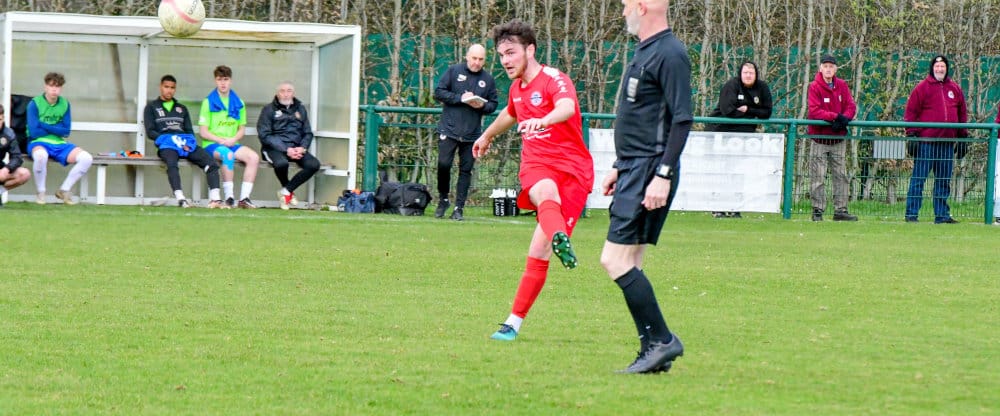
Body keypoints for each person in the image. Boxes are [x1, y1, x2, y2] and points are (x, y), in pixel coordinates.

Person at [472, 19, 594, 342]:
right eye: (501, 55)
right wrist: (486, 135)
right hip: (537, 165)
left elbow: (567, 107)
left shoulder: (554, 79)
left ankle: (556, 238)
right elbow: (510, 114)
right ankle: (511, 324)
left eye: (511, 53)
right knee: (544, 190)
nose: (505, 61)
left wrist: (543, 120)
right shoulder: (517, 89)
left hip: (573, 171)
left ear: (530, 50)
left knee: (539, 250)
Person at [598, 0, 688, 374]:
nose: (622, 13)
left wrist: (662, 176)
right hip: (633, 169)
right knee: (631, 261)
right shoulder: (645, 50)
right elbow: (641, 118)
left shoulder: (671, 53)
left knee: (613, 260)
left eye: (625, 6)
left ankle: (663, 340)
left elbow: (682, 120)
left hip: (649, 171)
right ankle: (652, 349)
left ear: (641, 7)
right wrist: (619, 166)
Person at [433, 44, 499, 221]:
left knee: (466, 170)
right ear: (467, 57)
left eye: (480, 59)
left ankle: (459, 208)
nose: (477, 62)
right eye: (474, 58)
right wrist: (459, 98)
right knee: (443, 164)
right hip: (449, 129)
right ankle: (443, 199)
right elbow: (439, 92)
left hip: (472, 134)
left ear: (485, 60)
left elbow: (493, 104)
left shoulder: (488, 79)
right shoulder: (454, 71)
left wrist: (482, 105)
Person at [144, 74, 226, 209]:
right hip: (167, 145)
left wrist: (189, 143)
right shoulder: (151, 107)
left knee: (210, 162)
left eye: (172, 88)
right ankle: (181, 199)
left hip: (184, 144)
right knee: (172, 163)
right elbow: (150, 131)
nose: (169, 90)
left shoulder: (182, 108)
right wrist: (168, 139)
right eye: (166, 87)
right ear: (161, 87)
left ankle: (215, 199)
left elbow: (189, 130)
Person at [903, 55, 966, 224]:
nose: (940, 69)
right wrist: (911, 134)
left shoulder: (955, 88)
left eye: (942, 66)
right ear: (932, 68)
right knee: (919, 179)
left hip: (947, 143)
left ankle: (942, 215)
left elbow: (962, 113)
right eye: (937, 66)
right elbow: (911, 112)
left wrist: (963, 136)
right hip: (926, 143)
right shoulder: (922, 88)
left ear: (947, 68)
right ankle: (911, 214)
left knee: (944, 181)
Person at [705, 61, 773, 218]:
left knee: (738, 171)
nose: (748, 76)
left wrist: (748, 109)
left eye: (751, 73)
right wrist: (753, 113)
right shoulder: (731, 86)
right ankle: (717, 207)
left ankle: (734, 206)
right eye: (745, 73)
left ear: (756, 74)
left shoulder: (762, 88)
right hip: (721, 133)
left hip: (743, 136)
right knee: (722, 170)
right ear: (740, 74)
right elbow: (728, 110)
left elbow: (767, 112)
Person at [26, 72, 93, 205]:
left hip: (59, 143)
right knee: (40, 156)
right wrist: (56, 128)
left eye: (57, 86)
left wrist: (43, 125)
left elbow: (66, 131)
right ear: (45, 86)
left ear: (61, 88)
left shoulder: (65, 104)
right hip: (38, 142)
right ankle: (41, 192)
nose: (54, 90)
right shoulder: (34, 103)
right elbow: (34, 132)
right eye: (51, 86)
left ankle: (64, 190)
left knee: (86, 158)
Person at [199, 65, 260, 209]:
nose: (223, 83)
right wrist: (220, 140)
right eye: (219, 79)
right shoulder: (208, 102)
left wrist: (232, 140)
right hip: (212, 144)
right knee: (228, 155)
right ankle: (229, 197)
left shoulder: (239, 102)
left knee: (253, 157)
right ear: (215, 81)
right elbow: (203, 132)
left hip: (232, 143)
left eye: (225, 79)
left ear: (230, 81)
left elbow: (241, 130)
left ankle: (244, 199)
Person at [806, 55, 858, 222]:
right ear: (820, 68)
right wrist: (835, 117)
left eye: (831, 66)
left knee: (841, 175)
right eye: (825, 66)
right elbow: (815, 111)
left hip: (838, 139)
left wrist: (845, 119)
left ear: (836, 69)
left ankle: (841, 210)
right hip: (819, 138)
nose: (828, 69)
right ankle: (817, 209)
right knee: (818, 176)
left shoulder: (842, 85)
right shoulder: (814, 86)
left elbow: (851, 106)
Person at [257, 81, 321, 210]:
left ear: (293, 93)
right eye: (282, 91)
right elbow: (265, 135)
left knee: (314, 165)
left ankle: (286, 191)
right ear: (277, 93)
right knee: (281, 164)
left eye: (289, 91)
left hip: (296, 148)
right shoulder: (268, 109)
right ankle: (288, 193)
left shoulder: (300, 109)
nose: (286, 94)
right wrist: (286, 149)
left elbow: (308, 133)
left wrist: (302, 147)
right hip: (273, 148)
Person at [0, 105, 32, 207]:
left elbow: (17, 157)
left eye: (0, 119)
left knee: (24, 174)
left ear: (3, 118)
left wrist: (7, 169)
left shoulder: (8, 134)